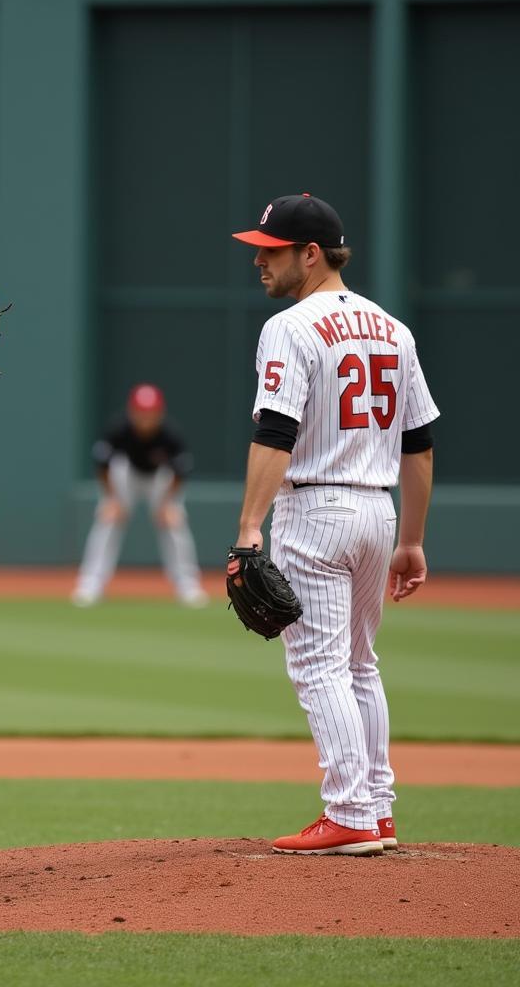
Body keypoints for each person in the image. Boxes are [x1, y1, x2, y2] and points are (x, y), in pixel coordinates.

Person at [231, 193, 438, 855]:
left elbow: (275, 431)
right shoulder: (394, 329)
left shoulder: (290, 328)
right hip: (379, 508)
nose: (260, 262)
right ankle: (376, 808)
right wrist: (412, 538)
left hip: (315, 507)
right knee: (359, 664)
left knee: (320, 665)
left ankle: (348, 811)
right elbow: (420, 443)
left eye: (272, 251)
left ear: (311, 254)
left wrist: (247, 530)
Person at [72, 383, 208, 608]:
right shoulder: (119, 429)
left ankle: (188, 585)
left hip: (160, 478)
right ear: (132, 411)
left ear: (159, 413)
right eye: (140, 412)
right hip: (125, 474)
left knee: (175, 524)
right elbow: (103, 465)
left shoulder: (170, 434)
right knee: (107, 521)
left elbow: (180, 472)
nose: (145, 418)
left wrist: (168, 504)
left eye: (150, 413)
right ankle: (90, 583)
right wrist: (112, 499)